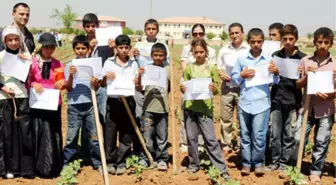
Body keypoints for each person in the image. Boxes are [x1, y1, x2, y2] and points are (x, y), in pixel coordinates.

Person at [231, 28, 280, 176]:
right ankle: (246, 163)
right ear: (248, 42)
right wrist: (242, 74)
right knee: (245, 134)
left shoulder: (269, 59)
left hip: (262, 102)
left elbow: (274, 81)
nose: (256, 45)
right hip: (245, 102)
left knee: (259, 134)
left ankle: (258, 162)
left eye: (259, 42)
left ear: (263, 42)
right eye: (253, 42)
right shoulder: (241, 59)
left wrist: (276, 73)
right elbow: (233, 79)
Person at [180, 39, 230, 181]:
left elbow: (214, 89)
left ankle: (221, 168)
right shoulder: (189, 68)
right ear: (192, 53)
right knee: (191, 138)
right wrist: (182, 88)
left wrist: (213, 89)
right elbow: (184, 85)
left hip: (205, 109)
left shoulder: (212, 69)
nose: (199, 54)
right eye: (196, 52)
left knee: (211, 139)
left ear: (206, 52)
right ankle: (194, 165)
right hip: (190, 108)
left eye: (201, 52)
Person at [293, 27, 336, 184]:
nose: (322, 45)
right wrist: (306, 76)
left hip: (326, 109)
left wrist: (332, 94)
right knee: (298, 138)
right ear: (314, 42)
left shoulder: (334, 65)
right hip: (307, 108)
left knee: (321, 141)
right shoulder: (306, 61)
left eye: (326, 42)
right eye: (320, 42)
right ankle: (295, 166)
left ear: (330, 44)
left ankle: (316, 171)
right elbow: (298, 85)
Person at [265, 24, 306, 178]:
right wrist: (273, 72)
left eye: (291, 39)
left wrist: (302, 74)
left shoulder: (302, 58)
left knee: (288, 134)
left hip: (293, 100)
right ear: (281, 39)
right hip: (276, 98)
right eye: (285, 39)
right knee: (275, 133)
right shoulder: (276, 55)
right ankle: (274, 161)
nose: (288, 42)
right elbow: (270, 78)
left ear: (295, 39)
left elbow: (303, 81)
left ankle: (284, 163)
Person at [63, 35, 102, 173]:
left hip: (91, 105)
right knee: (72, 136)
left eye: (83, 48)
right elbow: (68, 87)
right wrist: (72, 75)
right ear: (74, 49)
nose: (80, 51)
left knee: (93, 135)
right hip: (74, 105)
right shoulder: (69, 66)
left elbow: (97, 88)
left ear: (88, 49)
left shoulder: (93, 65)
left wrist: (95, 83)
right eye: (77, 48)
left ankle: (97, 162)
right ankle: (68, 163)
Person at [100, 35, 138, 175]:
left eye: (126, 48)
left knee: (126, 133)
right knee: (110, 132)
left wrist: (137, 81)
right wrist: (105, 77)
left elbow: (137, 84)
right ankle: (110, 161)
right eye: (120, 47)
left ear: (129, 48)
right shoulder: (109, 63)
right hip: (113, 102)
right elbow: (102, 84)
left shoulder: (133, 64)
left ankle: (121, 160)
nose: (123, 50)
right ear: (115, 48)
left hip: (128, 101)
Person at [0, 25, 34, 179]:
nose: (13, 42)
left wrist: (28, 62)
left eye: (16, 39)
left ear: (20, 40)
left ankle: (26, 169)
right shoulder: (0, 56)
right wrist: (3, 87)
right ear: (5, 41)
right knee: (8, 133)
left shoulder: (26, 56)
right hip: (5, 99)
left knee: (25, 132)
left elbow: (33, 77)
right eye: (10, 40)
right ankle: (10, 169)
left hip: (23, 96)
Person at [29, 32, 65, 177]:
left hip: (53, 104)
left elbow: (62, 84)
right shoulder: (33, 63)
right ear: (41, 47)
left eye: (52, 47)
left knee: (53, 133)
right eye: (46, 47)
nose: (49, 50)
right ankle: (37, 167)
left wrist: (63, 83)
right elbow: (27, 81)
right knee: (38, 132)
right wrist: (34, 83)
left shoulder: (58, 64)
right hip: (38, 103)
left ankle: (52, 167)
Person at [133, 19, 170, 156]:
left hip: (160, 98)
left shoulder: (165, 64)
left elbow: (169, 82)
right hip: (145, 91)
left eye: (153, 29)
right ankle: (145, 154)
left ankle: (162, 157)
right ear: (145, 30)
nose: (151, 31)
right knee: (144, 122)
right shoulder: (139, 45)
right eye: (148, 29)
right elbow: (137, 70)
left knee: (161, 129)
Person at [179, 23, 216, 152]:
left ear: (204, 34)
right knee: (187, 112)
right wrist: (192, 79)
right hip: (189, 82)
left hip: (204, 86)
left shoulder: (211, 50)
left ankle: (200, 143)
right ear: (192, 34)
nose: (198, 35)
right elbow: (184, 66)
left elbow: (211, 68)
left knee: (202, 113)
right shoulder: (186, 48)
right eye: (195, 33)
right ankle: (185, 142)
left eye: (200, 33)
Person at [136, 43, 170, 171]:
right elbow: (139, 88)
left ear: (165, 56)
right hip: (148, 109)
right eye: (155, 55)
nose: (158, 57)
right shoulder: (146, 69)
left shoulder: (168, 69)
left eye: (161, 55)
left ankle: (162, 159)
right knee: (147, 135)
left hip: (163, 109)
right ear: (151, 56)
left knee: (162, 136)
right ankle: (146, 158)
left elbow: (170, 88)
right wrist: (139, 76)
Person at [217, 22, 249, 152]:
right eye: (232, 33)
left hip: (244, 88)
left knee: (242, 117)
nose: (234, 35)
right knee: (225, 117)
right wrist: (221, 74)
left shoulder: (248, 49)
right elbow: (218, 68)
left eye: (237, 32)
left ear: (242, 33)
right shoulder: (224, 50)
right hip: (227, 87)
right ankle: (226, 143)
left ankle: (242, 143)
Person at [82, 13, 114, 126]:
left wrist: (111, 49)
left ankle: (105, 141)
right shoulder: (82, 42)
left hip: (102, 84)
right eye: (88, 26)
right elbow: (80, 62)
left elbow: (111, 59)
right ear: (83, 27)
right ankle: (90, 142)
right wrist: (89, 49)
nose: (90, 29)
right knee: (88, 116)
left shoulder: (105, 41)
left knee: (104, 114)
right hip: (87, 83)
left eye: (93, 26)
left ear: (97, 26)